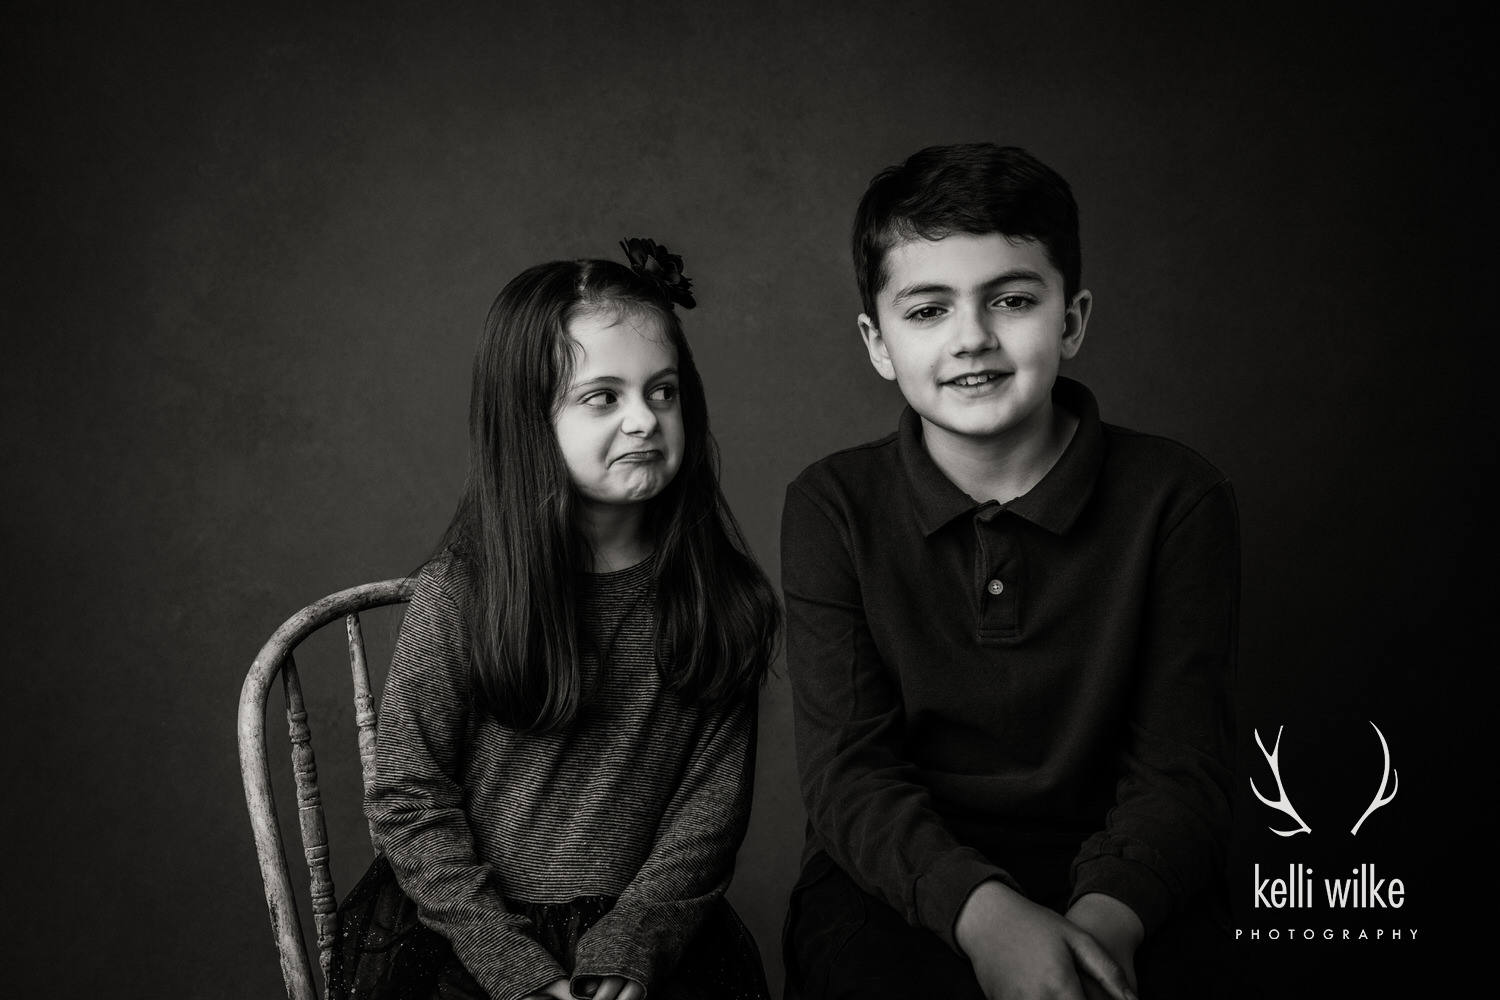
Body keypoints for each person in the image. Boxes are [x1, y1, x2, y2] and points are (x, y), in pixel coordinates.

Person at [782, 145, 1253, 1000]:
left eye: (1011, 300)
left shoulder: (1178, 498)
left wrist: (1095, 936)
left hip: (1128, 877)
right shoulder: (832, 505)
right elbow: (850, 774)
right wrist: (989, 920)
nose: (972, 337)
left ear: (1070, 320)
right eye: (927, 310)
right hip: (899, 877)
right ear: (877, 342)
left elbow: (1181, 771)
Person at [332, 240, 780, 1000]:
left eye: (663, 392)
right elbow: (409, 796)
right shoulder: (463, 596)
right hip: (469, 937)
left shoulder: (719, 600)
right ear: (530, 422)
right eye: (603, 397)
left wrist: (629, 945)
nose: (644, 419)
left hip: (648, 932)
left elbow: (710, 810)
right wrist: (518, 971)